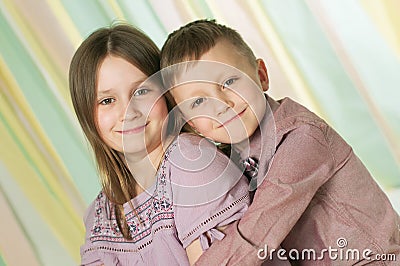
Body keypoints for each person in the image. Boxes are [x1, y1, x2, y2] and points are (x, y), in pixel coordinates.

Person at [160, 19, 400, 265]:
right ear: (190, 124)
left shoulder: (302, 138)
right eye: (198, 102)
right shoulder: (222, 160)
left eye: (229, 82)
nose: (221, 105)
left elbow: (258, 231)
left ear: (261, 76)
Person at [69, 23, 250, 265]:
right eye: (107, 100)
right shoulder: (102, 214)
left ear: (166, 94)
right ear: (87, 116)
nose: (128, 112)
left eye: (141, 92)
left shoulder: (192, 167)